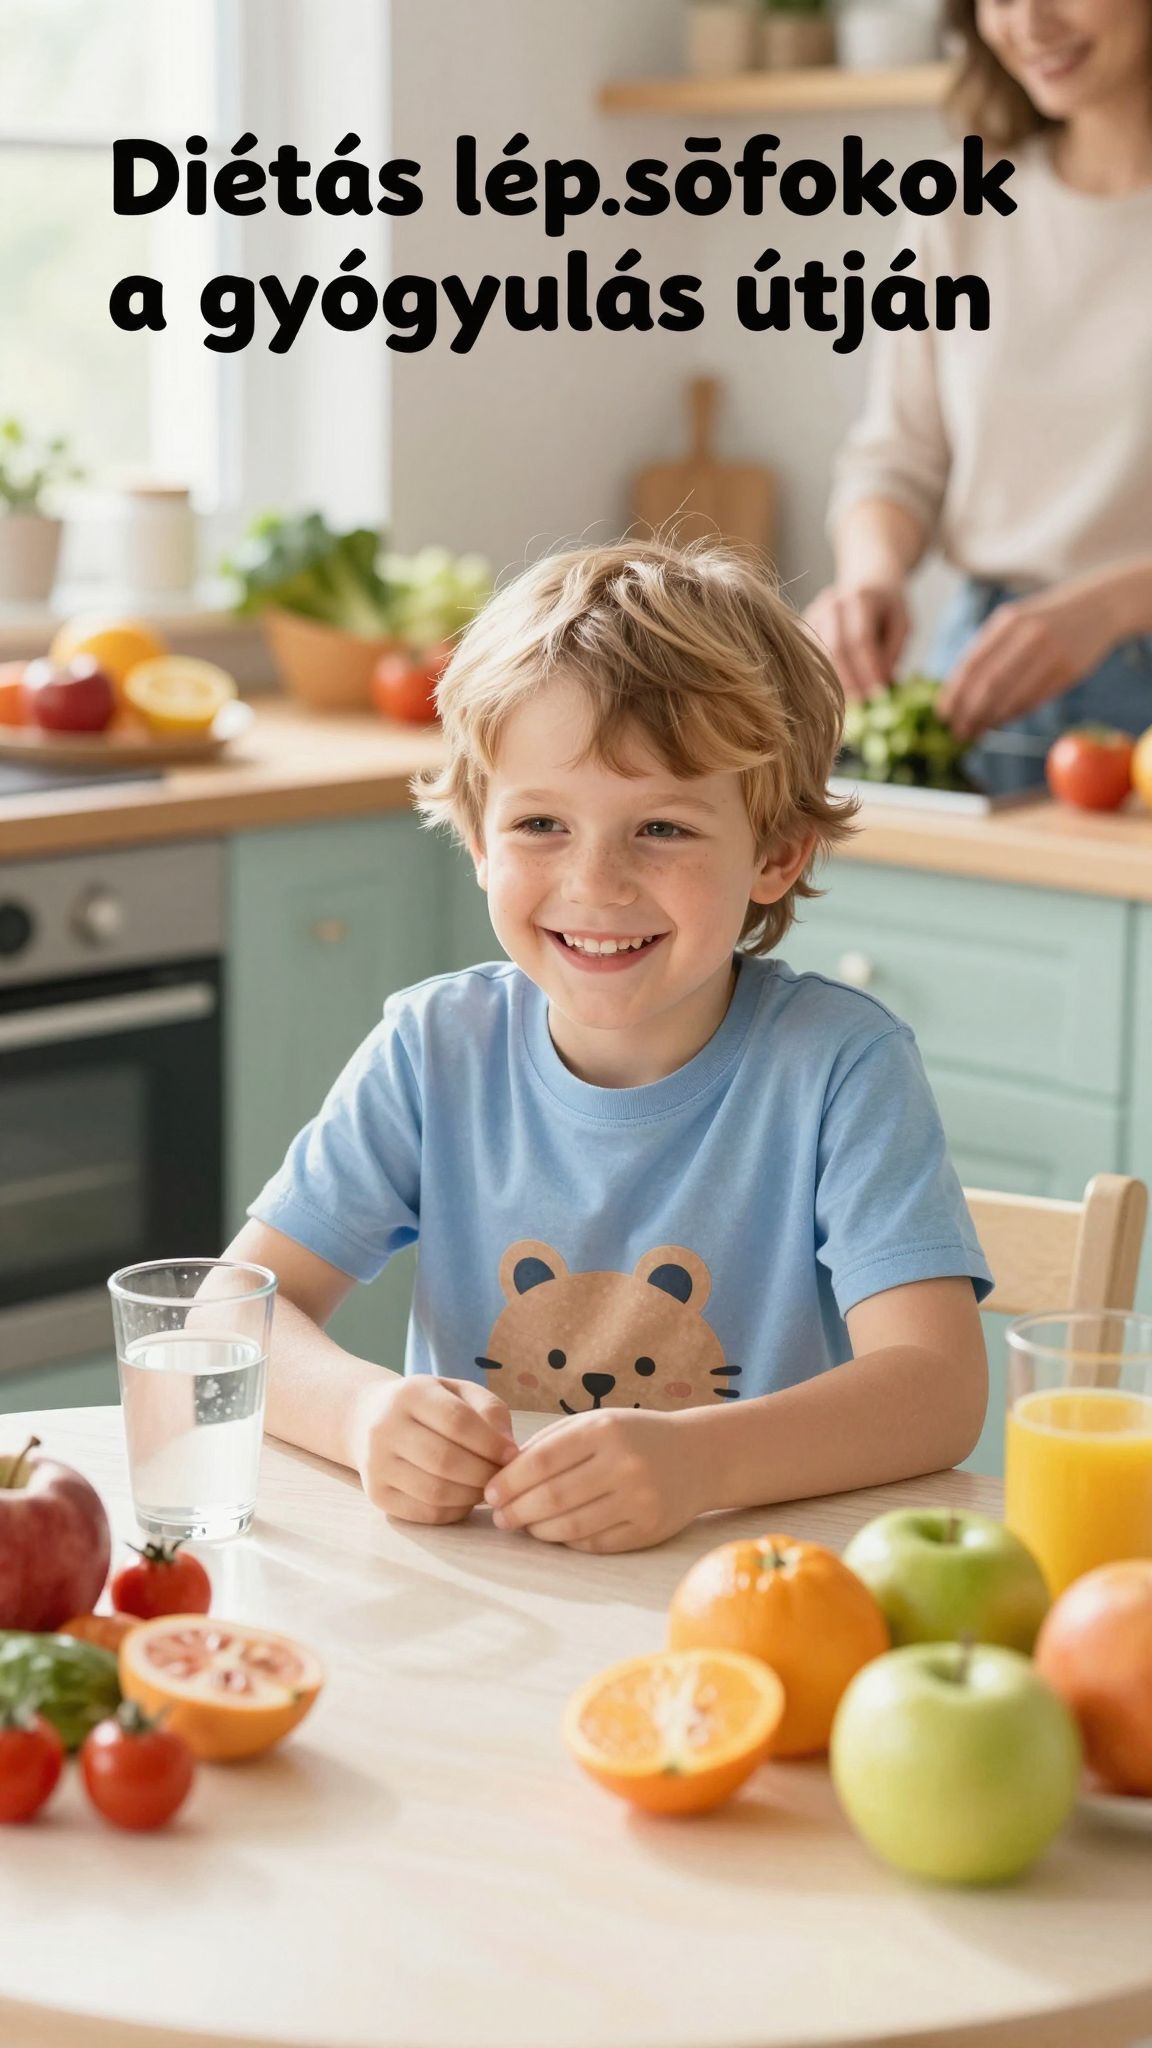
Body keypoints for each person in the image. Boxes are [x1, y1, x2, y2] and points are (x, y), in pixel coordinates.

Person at [224, 540, 991, 1553]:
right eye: (541, 823)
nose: (595, 882)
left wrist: (701, 1462)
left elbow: (937, 1388)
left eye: (662, 829)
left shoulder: (841, 1066)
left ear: (775, 853)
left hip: (745, 1589)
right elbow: (230, 1311)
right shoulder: (432, 1049)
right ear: (479, 838)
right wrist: (361, 1414)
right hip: (491, 1589)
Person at [807, 0, 1152, 786]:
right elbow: (897, 457)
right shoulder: (961, 207)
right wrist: (870, 576)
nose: (1026, 22)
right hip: (981, 677)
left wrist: (1113, 606)